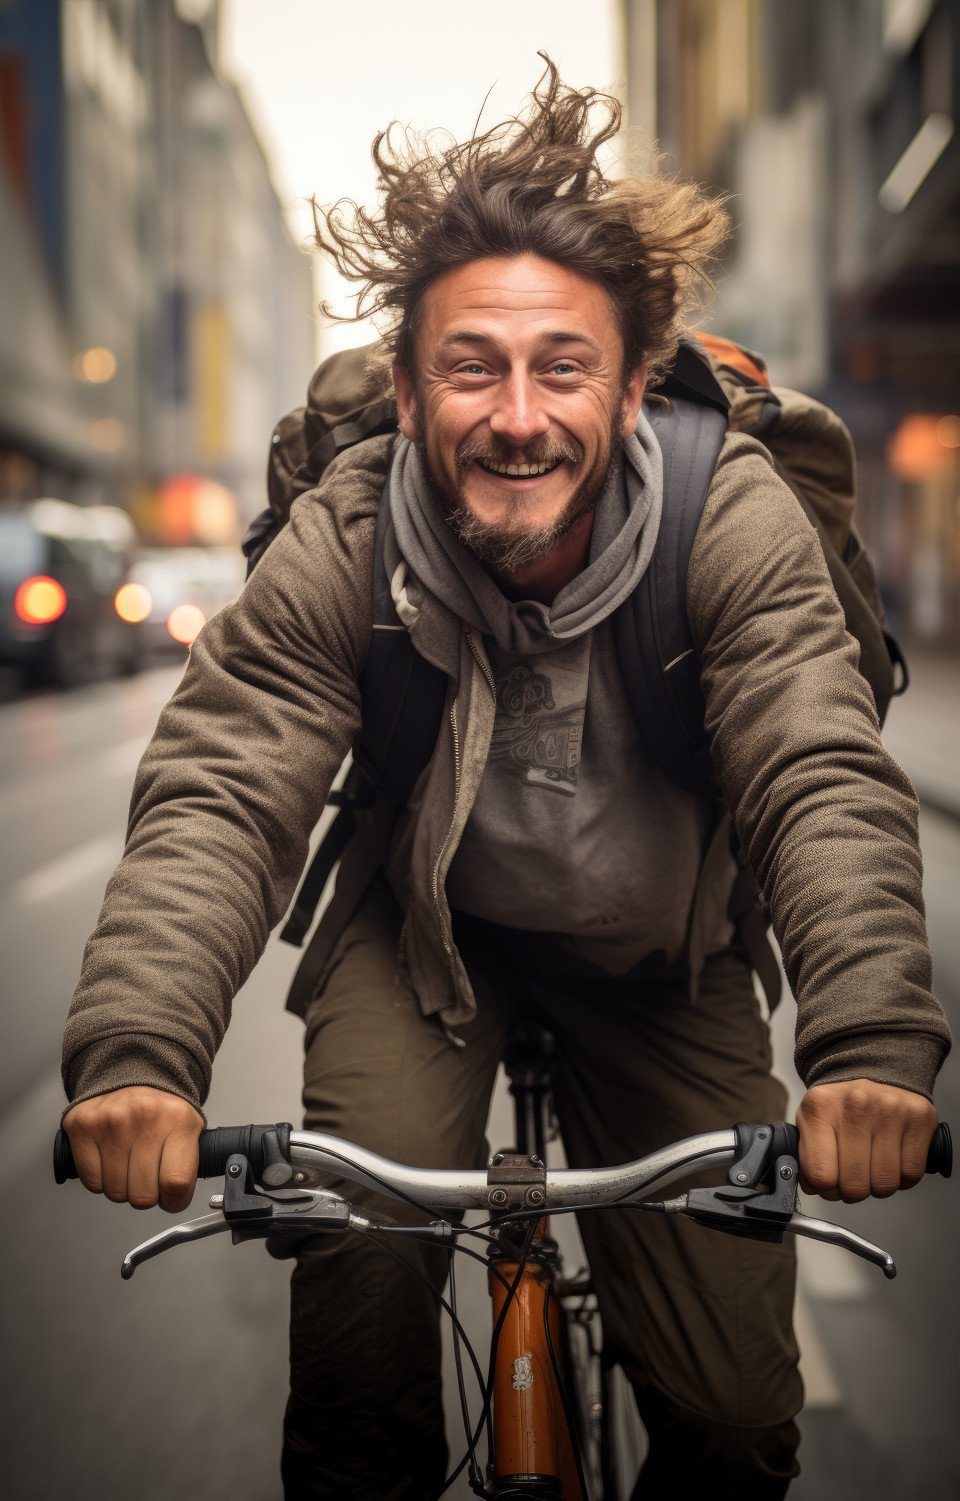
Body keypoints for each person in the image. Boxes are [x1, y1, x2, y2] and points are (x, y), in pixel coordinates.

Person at [61, 59, 950, 1499]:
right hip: (425, 945)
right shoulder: (347, 536)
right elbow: (224, 786)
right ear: (410, 394)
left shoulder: (728, 514)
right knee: (356, 1356)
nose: (518, 415)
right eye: (473, 366)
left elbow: (817, 764)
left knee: (732, 1424)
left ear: (627, 380)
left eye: (562, 366)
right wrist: (139, 1056)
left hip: (663, 960)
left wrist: (865, 1047)